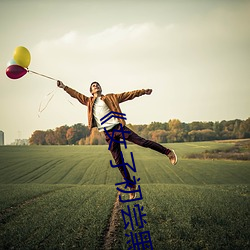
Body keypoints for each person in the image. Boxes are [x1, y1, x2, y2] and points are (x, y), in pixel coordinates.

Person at [57, 81, 177, 199]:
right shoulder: (88, 101)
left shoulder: (111, 97)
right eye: (93, 86)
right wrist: (64, 87)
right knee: (118, 161)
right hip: (107, 134)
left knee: (142, 142)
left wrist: (143, 92)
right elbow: (75, 94)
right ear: (91, 91)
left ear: (100, 88)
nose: (96, 86)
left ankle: (168, 152)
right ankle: (131, 185)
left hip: (118, 127)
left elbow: (128, 94)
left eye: (97, 85)